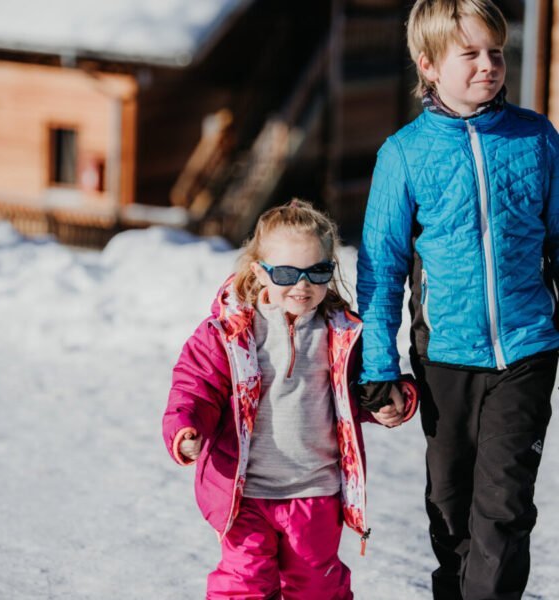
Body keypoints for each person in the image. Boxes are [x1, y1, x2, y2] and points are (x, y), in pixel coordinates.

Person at [356, 1, 559, 598]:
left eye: (494, 52)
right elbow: (380, 270)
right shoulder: (404, 154)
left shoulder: (536, 137)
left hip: (526, 349)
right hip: (445, 354)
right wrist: (378, 369)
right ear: (428, 65)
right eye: (468, 54)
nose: (488, 66)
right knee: (451, 507)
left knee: (503, 506)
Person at [163, 199, 418, 599]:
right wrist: (186, 426)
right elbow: (196, 385)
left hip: (315, 492)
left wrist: (392, 399)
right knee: (243, 585)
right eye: (286, 273)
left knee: (316, 586)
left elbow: (364, 387)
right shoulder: (228, 334)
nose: (303, 285)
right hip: (245, 493)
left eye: (317, 272)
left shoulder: (341, 335)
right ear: (259, 273)